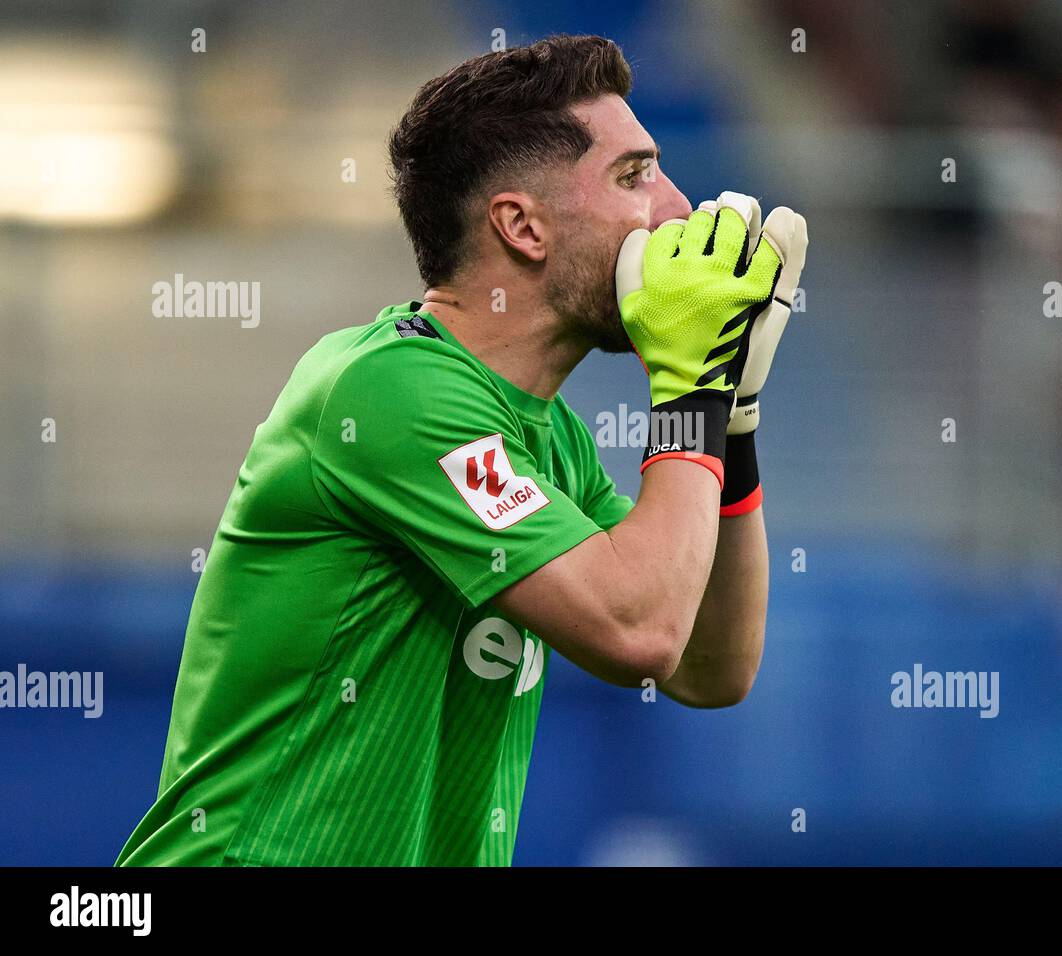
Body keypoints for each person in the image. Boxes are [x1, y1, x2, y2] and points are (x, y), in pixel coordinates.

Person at [116, 33, 807, 867]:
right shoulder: (387, 389)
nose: (679, 209)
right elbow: (641, 631)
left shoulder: (552, 442)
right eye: (635, 176)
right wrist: (689, 394)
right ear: (521, 225)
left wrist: (732, 418)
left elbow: (708, 665)